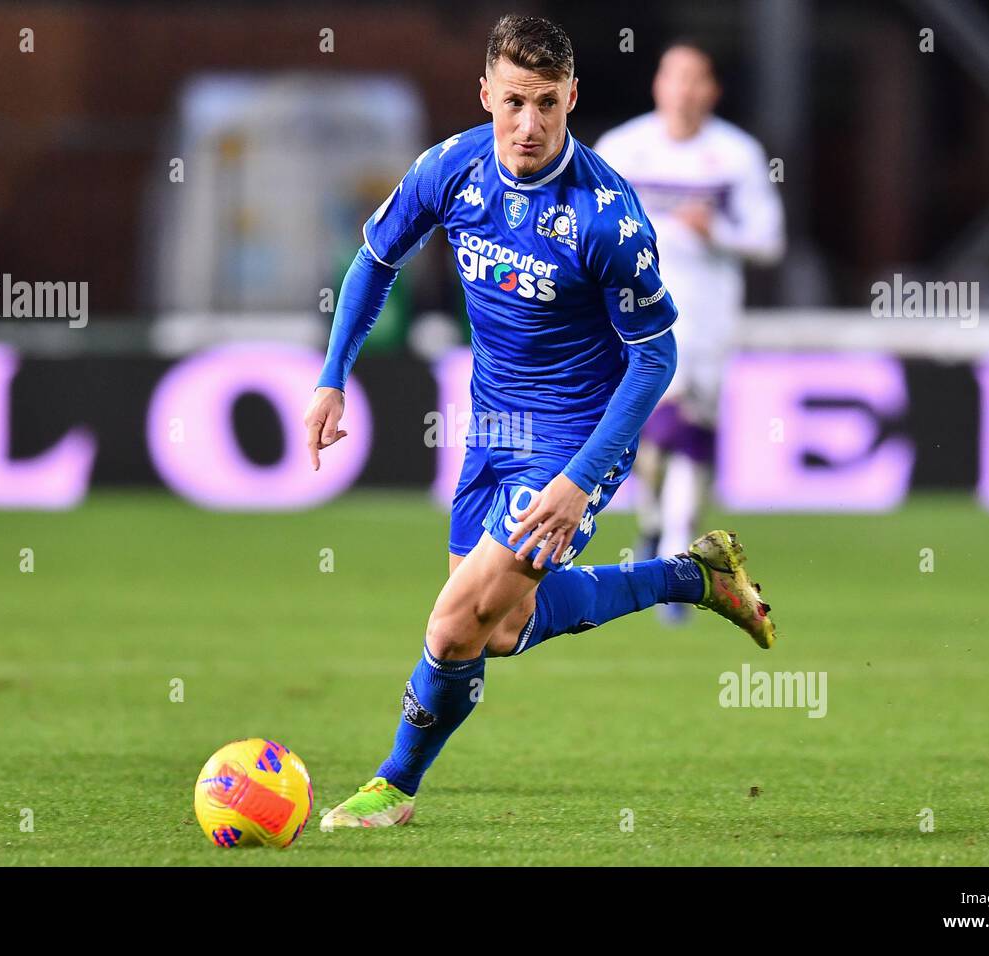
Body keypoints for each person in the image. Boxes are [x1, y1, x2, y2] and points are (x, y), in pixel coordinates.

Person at [304, 15, 776, 831]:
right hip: (493, 431)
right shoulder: (449, 169)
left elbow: (656, 360)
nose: (529, 125)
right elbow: (376, 259)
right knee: (500, 630)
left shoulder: (605, 216)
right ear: (486, 93)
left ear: (572, 99)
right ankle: (691, 575)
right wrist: (331, 378)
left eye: (548, 104)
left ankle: (392, 787)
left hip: (574, 439)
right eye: (514, 101)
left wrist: (579, 479)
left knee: (453, 626)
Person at [595, 40, 785, 623]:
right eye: (672, 76)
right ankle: (662, 528)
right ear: (658, 85)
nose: (682, 90)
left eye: (695, 79)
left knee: (688, 432)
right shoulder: (622, 149)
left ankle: (672, 543)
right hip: (633, 317)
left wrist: (719, 233)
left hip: (707, 320)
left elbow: (769, 241)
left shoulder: (736, 155)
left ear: (711, 90)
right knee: (655, 429)